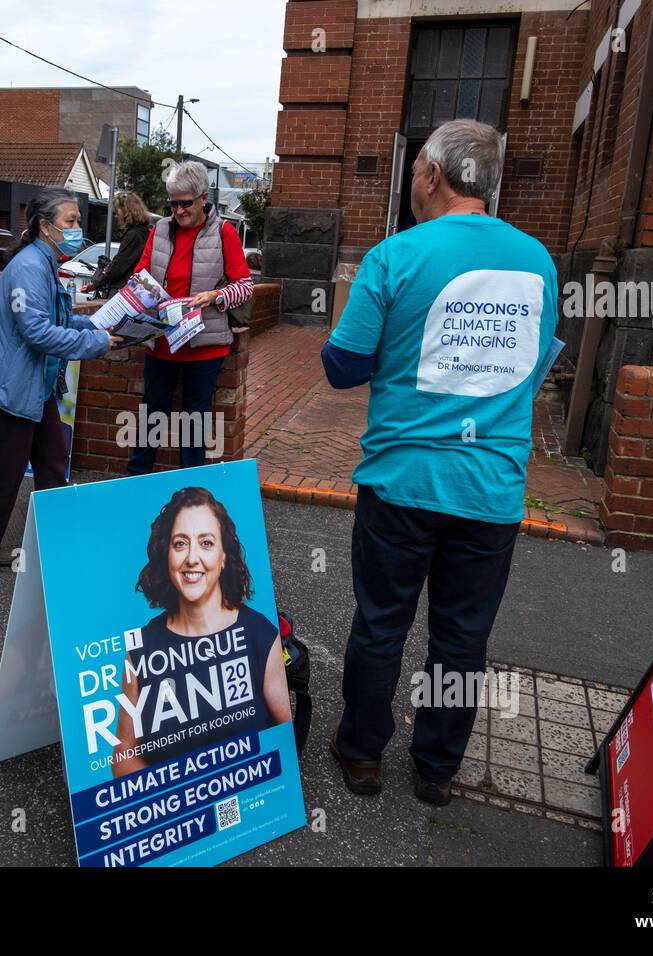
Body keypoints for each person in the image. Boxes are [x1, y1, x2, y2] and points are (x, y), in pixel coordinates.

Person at [323, 119, 559, 806]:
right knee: (462, 638)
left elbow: (342, 367)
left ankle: (362, 754)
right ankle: (436, 769)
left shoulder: (395, 256)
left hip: (402, 480)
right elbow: (535, 367)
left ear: (430, 174)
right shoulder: (539, 261)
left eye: (418, 172)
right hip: (490, 487)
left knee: (381, 622)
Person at [0, 188, 119, 567]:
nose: (77, 229)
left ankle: (57, 532)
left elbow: (56, 319)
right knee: (6, 468)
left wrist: (97, 324)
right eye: (70, 221)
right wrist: (95, 343)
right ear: (44, 226)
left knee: (51, 461)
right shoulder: (31, 267)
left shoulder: (42, 261)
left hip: (37, 386)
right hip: (15, 387)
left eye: (78, 221)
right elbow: (36, 331)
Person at [113, 487, 291, 776]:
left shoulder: (260, 635)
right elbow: (123, 758)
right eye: (180, 543)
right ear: (166, 555)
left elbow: (286, 736)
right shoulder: (141, 649)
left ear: (223, 556)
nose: (192, 558)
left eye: (206, 543)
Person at [128, 162, 253, 474]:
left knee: (194, 420)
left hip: (205, 344)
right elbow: (139, 276)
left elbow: (245, 286)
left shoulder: (224, 233)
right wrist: (143, 296)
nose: (179, 211)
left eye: (185, 203)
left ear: (203, 199)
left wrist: (215, 296)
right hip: (161, 341)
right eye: (173, 203)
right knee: (150, 416)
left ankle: (190, 484)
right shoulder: (159, 230)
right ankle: (137, 479)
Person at [83, 190, 152, 298]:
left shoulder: (133, 236)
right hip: (137, 290)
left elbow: (118, 265)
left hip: (123, 291)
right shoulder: (145, 233)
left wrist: (95, 284)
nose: (116, 216)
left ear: (126, 210)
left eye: (117, 212)